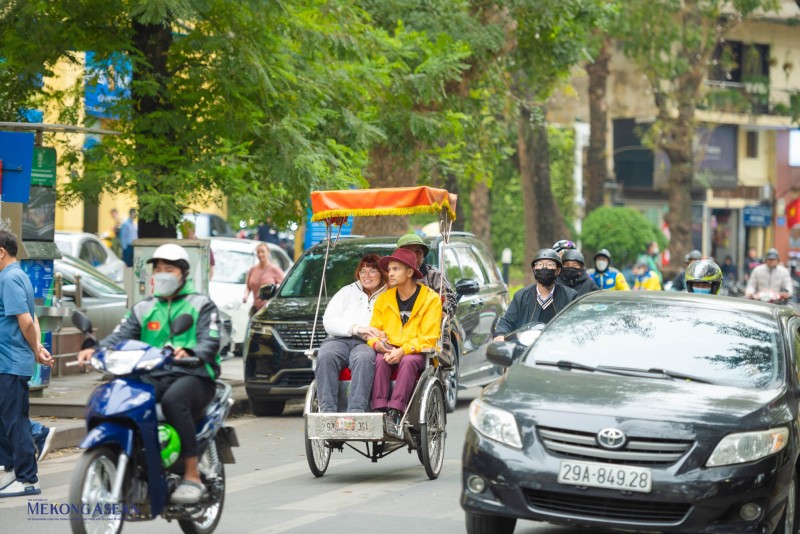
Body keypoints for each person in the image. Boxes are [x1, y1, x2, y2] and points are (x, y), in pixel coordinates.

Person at [77, 244, 221, 504]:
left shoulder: (201, 305)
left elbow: (210, 341)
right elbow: (121, 336)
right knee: (118, 396)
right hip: (151, 374)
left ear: (183, 273)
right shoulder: (144, 308)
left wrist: (191, 351)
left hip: (194, 374)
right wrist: (95, 349)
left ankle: (191, 474)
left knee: (173, 401)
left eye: (170, 269)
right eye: (158, 269)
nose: (163, 274)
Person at [0, 231, 54, 497]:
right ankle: (11, 466)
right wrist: (38, 347)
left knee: (14, 421)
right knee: (7, 419)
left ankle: (27, 479)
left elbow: (26, 320)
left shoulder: (9, 278)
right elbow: (29, 318)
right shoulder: (14, 276)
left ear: (1, 252)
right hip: (7, 361)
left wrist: (36, 349)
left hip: (9, 362)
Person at [368, 249, 442, 437]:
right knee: (380, 359)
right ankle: (379, 409)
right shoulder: (383, 299)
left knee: (408, 362)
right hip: (390, 347)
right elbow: (373, 330)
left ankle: (395, 412)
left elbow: (429, 337)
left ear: (409, 272)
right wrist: (378, 343)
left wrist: (403, 350)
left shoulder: (431, 299)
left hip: (417, 350)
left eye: (396, 269)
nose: (390, 273)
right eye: (389, 269)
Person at [316, 255, 387, 413]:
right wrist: (356, 328)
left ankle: (357, 411)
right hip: (338, 340)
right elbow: (329, 321)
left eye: (372, 271)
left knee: (364, 358)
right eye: (363, 271)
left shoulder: (388, 295)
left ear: (382, 273)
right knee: (326, 355)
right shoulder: (347, 291)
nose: (367, 275)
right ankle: (327, 412)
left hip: (365, 343)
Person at [493, 249, 578, 340]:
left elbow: (576, 325)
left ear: (558, 270)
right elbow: (507, 322)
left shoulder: (570, 296)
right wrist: (500, 335)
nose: (544, 268)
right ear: (534, 269)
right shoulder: (521, 296)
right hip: (526, 348)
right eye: (539, 264)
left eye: (550, 264)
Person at [396, 233, 456, 318]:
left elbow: (449, 300)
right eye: (408, 251)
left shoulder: (433, 275)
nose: (414, 255)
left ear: (423, 255)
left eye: (418, 251)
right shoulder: (390, 275)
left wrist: (442, 313)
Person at [243, 243, 285, 316]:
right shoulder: (252, 270)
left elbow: (285, 286)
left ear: (268, 253)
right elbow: (248, 287)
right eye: (258, 252)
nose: (260, 254)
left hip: (269, 310)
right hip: (255, 309)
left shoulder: (275, 269)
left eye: (262, 252)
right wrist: (245, 296)